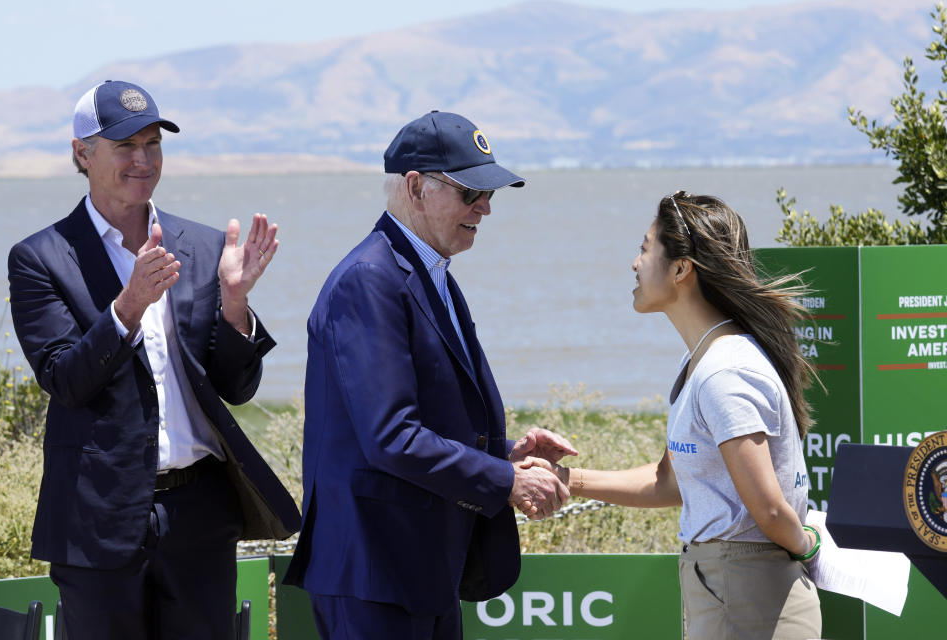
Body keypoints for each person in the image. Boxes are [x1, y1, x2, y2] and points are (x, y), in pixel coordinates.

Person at [7, 80, 301, 639]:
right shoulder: (40, 258)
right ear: (81, 153)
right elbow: (65, 380)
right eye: (125, 146)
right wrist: (128, 307)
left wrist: (236, 306)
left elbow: (235, 388)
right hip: (97, 522)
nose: (143, 160)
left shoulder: (206, 246)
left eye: (152, 144)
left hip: (198, 516)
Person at [283, 110, 576, 639]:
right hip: (375, 571)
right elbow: (390, 436)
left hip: (420, 569)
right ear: (415, 187)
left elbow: (423, 417)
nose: (485, 208)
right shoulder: (369, 280)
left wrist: (502, 451)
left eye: (492, 194)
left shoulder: (427, 270)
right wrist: (507, 481)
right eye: (471, 193)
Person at [552, 191, 822, 639]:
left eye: (644, 248)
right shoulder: (700, 360)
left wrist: (808, 547)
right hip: (725, 590)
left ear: (681, 269)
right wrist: (567, 481)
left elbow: (771, 510)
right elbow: (670, 482)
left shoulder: (725, 371)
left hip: (751, 598)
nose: (634, 264)